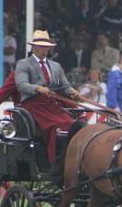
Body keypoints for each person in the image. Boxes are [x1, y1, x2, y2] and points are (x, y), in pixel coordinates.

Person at [14, 29, 84, 170]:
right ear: (33, 47)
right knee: (56, 125)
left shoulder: (56, 66)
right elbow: (21, 85)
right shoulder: (23, 64)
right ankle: (54, 161)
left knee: (72, 123)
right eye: (41, 47)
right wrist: (37, 88)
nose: (44, 50)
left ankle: (70, 158)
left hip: (52, 104)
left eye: (46, 47)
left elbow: (65, 86)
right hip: (33, 104)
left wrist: (73, 92)